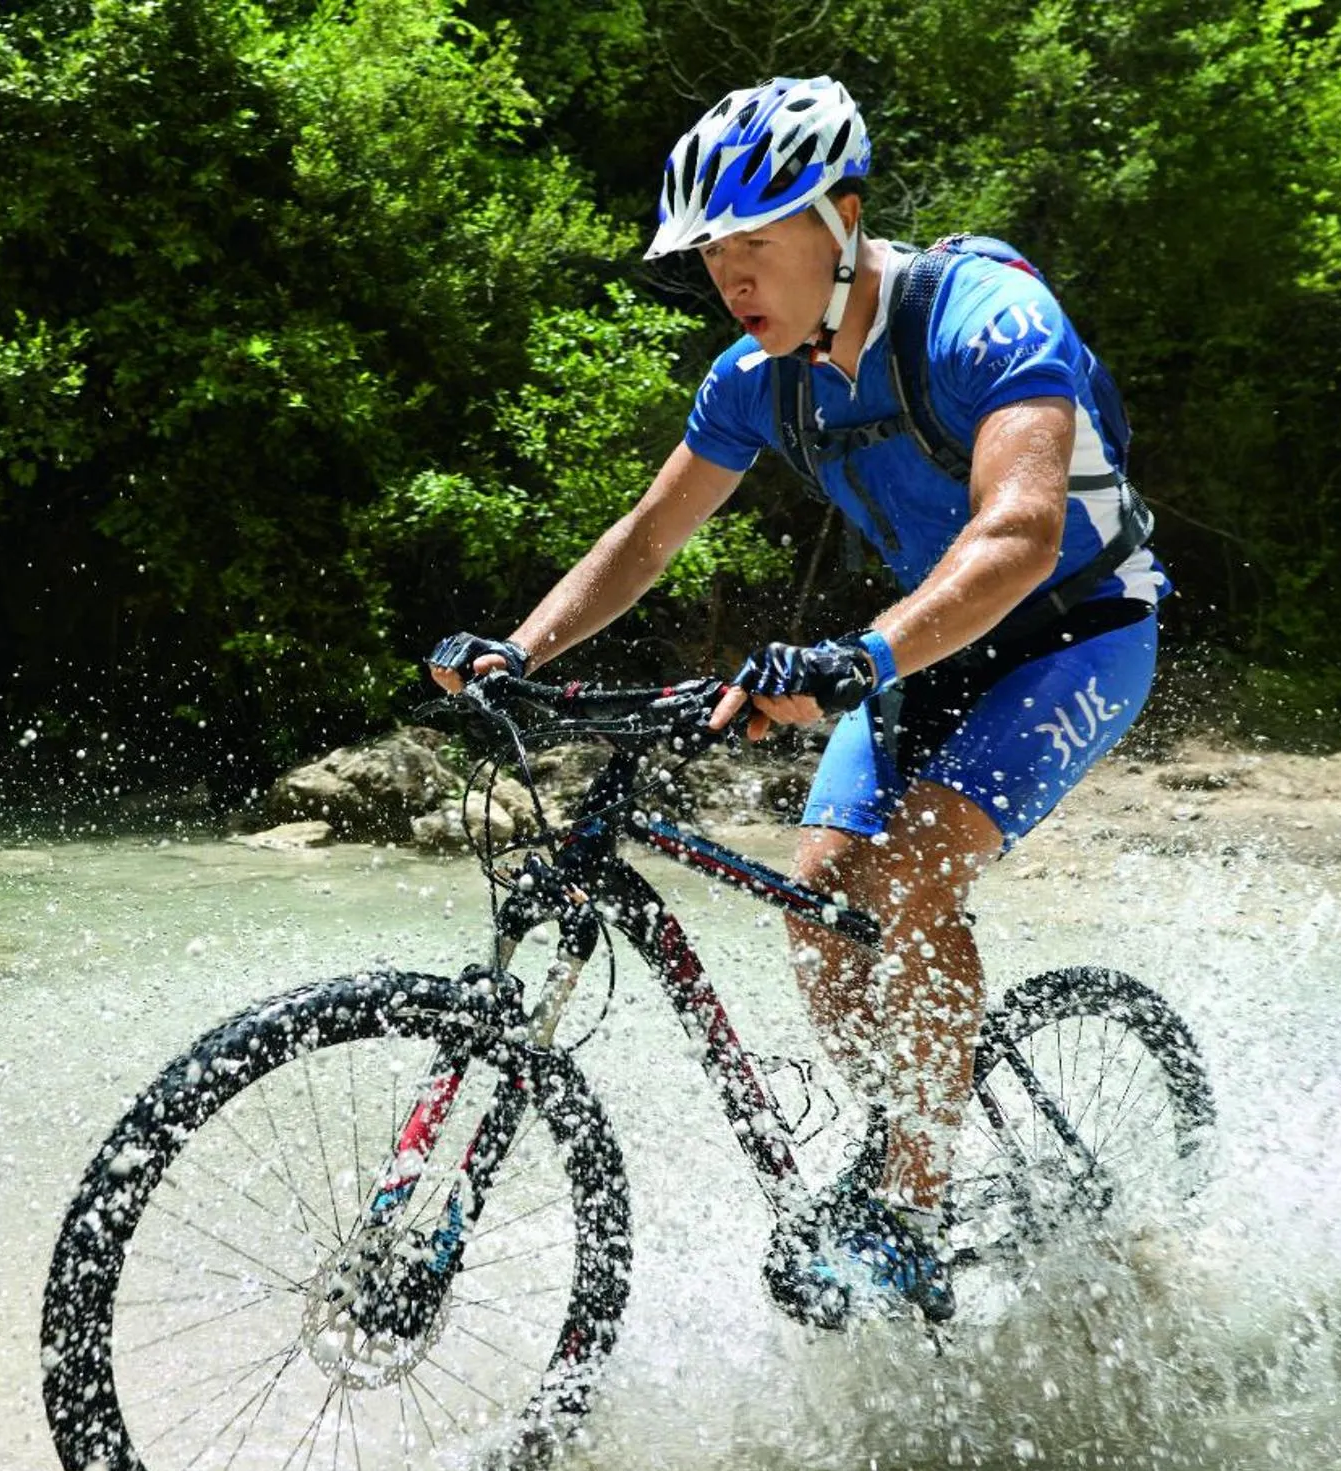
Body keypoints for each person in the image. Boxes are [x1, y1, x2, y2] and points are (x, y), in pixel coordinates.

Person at [426, 75, 1166, 1330]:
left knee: (912, 870)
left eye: (754, 246)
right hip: (914, 650)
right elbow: (649, 537)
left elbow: (1023, 528)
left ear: (842, 217)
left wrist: (856, 659)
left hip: (1075, 632)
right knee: (818, 897)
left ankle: (916, 1206)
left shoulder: (984, 318)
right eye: (714, 256)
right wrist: (519, 652)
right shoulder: (754, 378)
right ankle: (903, 1133)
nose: (731, 280)